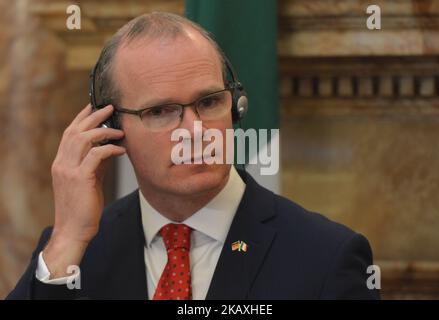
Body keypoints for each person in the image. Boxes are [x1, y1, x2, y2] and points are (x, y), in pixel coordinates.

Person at [7, 12, 379, 300]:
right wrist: (67, 241)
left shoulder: (326, 257)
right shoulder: (72, 253)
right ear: (110, 130)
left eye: (209, 102)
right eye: (160, 112)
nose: (196, 131)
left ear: (236, 108)